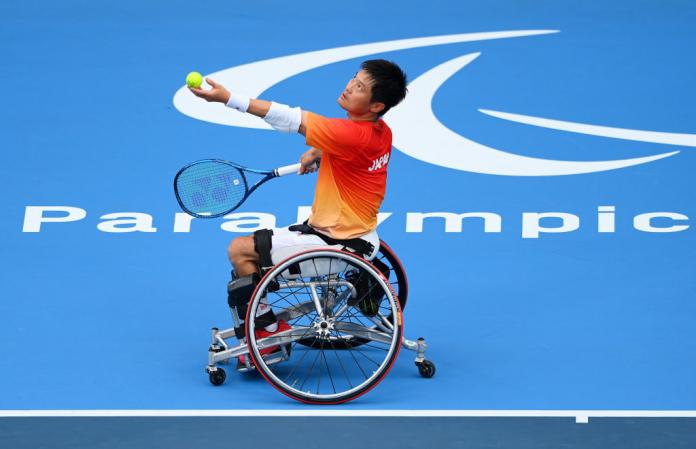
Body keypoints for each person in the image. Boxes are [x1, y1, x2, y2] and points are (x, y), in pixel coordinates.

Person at [189, 59, 408, 348]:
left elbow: (291, 118)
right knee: (254, 252)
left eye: (359, 87)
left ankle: (266, 333)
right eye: (353, 79)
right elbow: (350, 148)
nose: (348, 87)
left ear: (376, 105)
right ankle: (362, 283)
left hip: (336, 241)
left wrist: (228, 99)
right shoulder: (380, 131)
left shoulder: (349, 134)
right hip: (360, 235)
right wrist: (318, 151)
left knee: (240, 251)